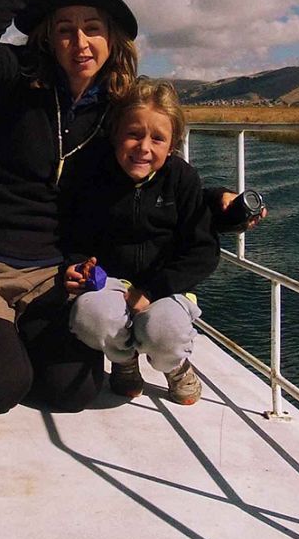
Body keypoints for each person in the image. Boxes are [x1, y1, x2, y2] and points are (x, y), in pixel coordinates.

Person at [0, 0, 137, 414]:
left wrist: (216, 204)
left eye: (92, 28)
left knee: (75, 391)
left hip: (50, 275)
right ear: (47, 37)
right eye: (65, 29)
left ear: (112, 37)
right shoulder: (18, 76)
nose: (80, 42)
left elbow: (149, 175)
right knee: (1, 389)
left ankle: (5, 338)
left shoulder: (118, 107)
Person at [63, 79, 218, 405]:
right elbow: (74, 234)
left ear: (172, 144)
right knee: (90, 316)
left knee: (164, 331)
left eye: (157, 138)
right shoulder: (93, 176)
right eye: (134, 134)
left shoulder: (182, 180)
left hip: (166, 286)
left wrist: (152, 290)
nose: (144, 147)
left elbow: (203, 251)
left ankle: (174, 366)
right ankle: (124, 361)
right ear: (115, 133)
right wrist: (76, 265)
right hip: (110, 281)